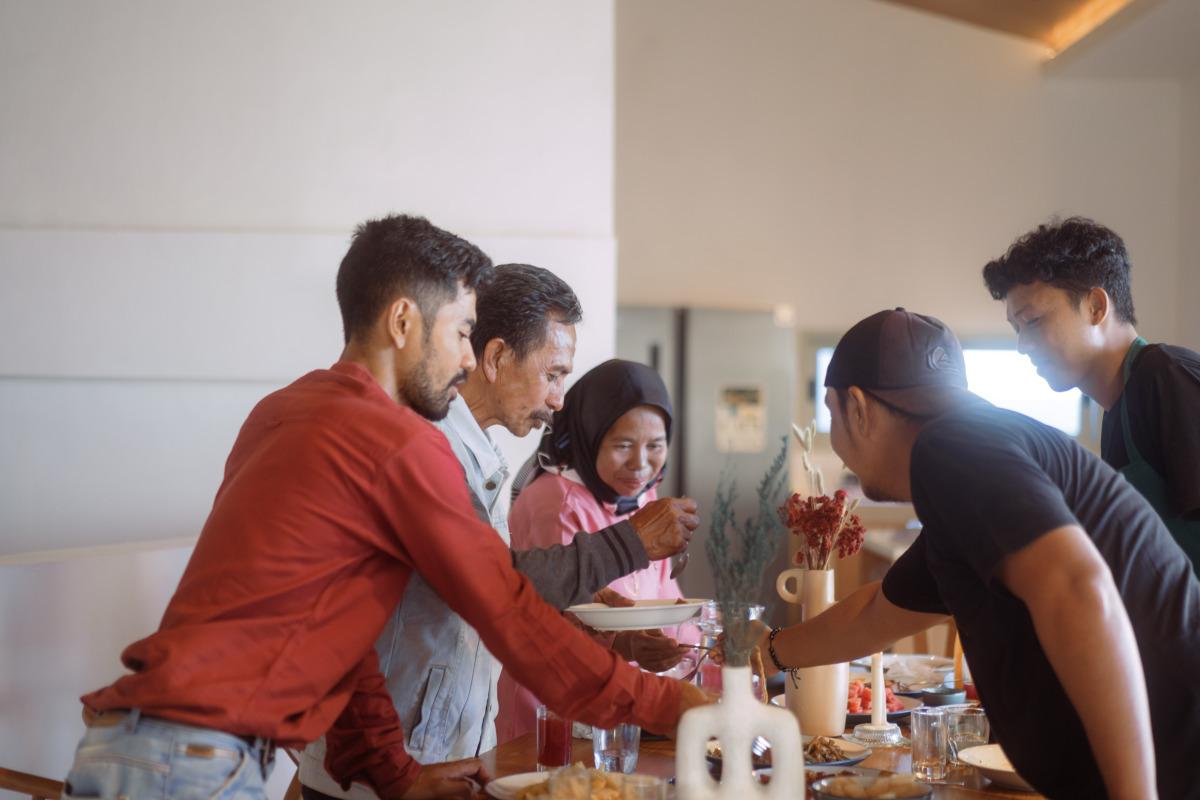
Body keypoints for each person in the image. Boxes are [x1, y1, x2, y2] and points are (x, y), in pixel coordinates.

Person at [60, 215, 709, 800]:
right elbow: (508, 609)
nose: (466, 360)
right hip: (196, 763)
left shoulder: (283, 411)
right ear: (403, 323)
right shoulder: (398, 443)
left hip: (132, 747)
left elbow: (344, 633)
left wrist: (390, 770)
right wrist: (662, 704)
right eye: (460, 332)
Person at [753, 308, 1200, 800]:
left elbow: (1079, 588)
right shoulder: (967, 451)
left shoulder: (952, 448)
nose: (836, 445)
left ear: (857, 407)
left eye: (831, 413)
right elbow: (877, 613)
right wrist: (767, 650)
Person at [296, 265, 700, 798]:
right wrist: (634, 542)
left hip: (445, 757)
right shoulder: (421, 446)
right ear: (495, 357)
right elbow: (498, 592)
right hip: (384, 769)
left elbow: (495, 583)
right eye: (553, 374)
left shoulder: (480, 451)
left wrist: (607, 618)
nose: (559, 399)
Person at [982, 217, 1200, 571]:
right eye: (1016, 329)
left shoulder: (1166, 376)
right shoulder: (1116, 412)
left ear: (1096, 307)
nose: (1022, 346)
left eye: (1033, 321)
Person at [496, 359, 692, 744]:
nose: (640, 464)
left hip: (625, 706)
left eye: (655, 445)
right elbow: (553, 624)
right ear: (588, 437)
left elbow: (667, 595)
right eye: (622, 445)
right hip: (554, 715)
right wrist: (628, 645)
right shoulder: (555, 502)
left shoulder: (642, 496)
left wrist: (697, 643)